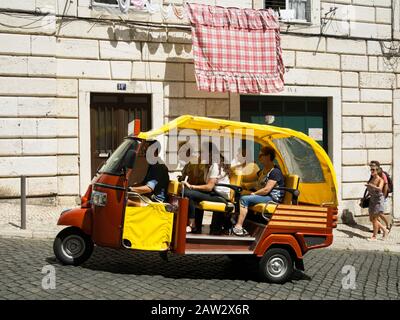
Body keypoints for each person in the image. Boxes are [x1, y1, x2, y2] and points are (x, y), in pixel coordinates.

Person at [232, 146, 285, 237]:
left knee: (244, 199)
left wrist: (254, 193)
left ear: (268, 156)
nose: (259, 157)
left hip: (272, 198)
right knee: (239, 193)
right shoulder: (263, 171)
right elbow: (253, 180)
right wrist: (244, 184)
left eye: (261, 155)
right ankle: (234, 220)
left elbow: (266, 190)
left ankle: (238, 226)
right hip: (265, 196)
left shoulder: (275, 172)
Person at [182, 142, 231, 233]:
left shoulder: (215, 166)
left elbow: (209, 187)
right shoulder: (208, 166)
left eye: (202, 152)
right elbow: (202, 182)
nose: (200, 154)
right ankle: (195, 225)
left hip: (220, 197)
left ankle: (192, 225)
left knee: (188, 193)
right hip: (213, 193)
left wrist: (192, 186)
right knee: (189, 193)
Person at [366, 164, 388, 241]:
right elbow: (370, 189)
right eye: (371, 169)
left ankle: (374, 236)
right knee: (371, 219)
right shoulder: (371, 179)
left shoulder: (380, 180)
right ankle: (385, 230)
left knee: (374, 219)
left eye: (373, 170)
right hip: (372, 200)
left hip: (378, 200)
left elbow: (379, 188)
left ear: (377, 171)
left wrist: (371, 186)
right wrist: (365, 197)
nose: (371, 171)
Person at [368, 161, 392, 232]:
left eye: (373, 165)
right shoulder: (373, 174)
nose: (371, 167)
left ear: (377, 166)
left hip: (381, 196)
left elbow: (386, 186)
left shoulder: (382, 174)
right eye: (370, 166)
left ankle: (388, 224)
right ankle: (377, 229)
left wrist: (383, 197)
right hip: (374, 196)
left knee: (379, 213)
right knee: (376, 213)